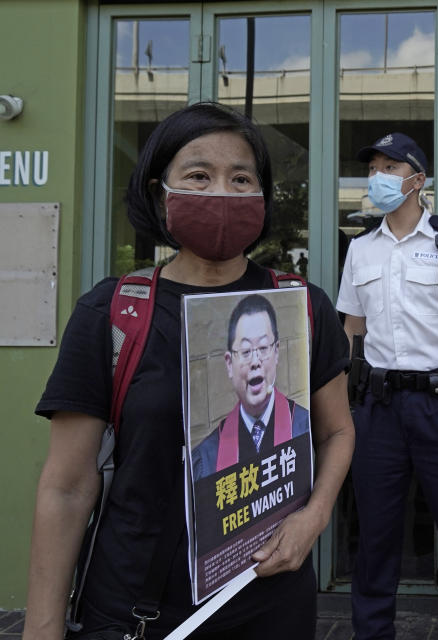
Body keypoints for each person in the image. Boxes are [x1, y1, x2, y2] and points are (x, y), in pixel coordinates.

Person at [24, 102, 354, 640]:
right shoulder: (112, 312)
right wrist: (42, 630)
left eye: (241, 178)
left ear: (262, 197)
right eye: (198, 175)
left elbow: (337, 431)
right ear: (161, 193)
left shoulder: (302, 307)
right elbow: (66, 486)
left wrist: (312, 520)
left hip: (268, 606)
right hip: (135, 607)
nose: (222, 192)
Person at [337, 132, 438, 640]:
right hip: (379, 408)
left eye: (389, 167)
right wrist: (341, 412)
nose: (376, 177)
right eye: (372, 168)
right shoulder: (361, 248)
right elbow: (351, 333)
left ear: (417, 180)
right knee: (376, 536)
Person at [192, 294, 311, 480]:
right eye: (246, 351)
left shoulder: (305, 427)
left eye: (263, 348)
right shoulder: (206, 457)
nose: (255, 361)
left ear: (277, 351)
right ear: (229, 363)